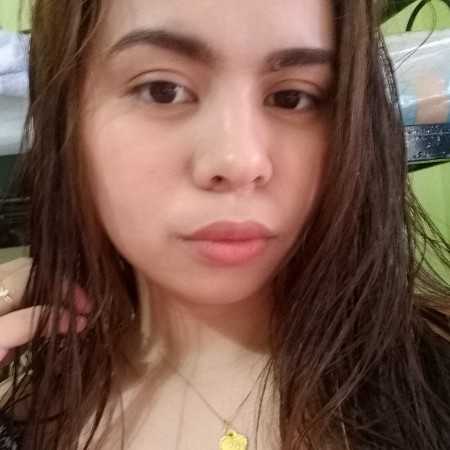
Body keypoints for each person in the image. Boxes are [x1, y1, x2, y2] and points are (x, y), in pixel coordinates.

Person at [0, 0, 450, 449]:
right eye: (162, 90)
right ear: (67, 117)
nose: (239, 162)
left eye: (292, 98)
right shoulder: (27, 415)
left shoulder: (432, 383)